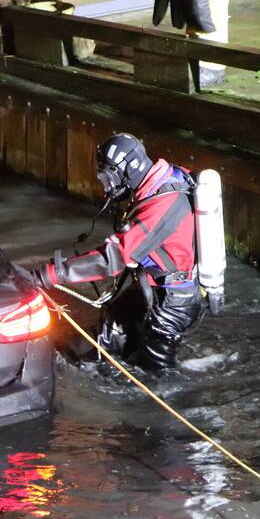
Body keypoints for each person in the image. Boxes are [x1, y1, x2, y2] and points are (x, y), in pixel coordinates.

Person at [31, 134, 204, 370]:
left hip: (172, 305)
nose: (107, 187)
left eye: (108, 178)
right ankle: (75, 364)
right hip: (150, 290)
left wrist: (52, 274)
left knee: (155, 377)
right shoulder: (164, 179)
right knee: (103, 342)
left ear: (126, 171)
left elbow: (113, 258)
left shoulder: (163, 204)